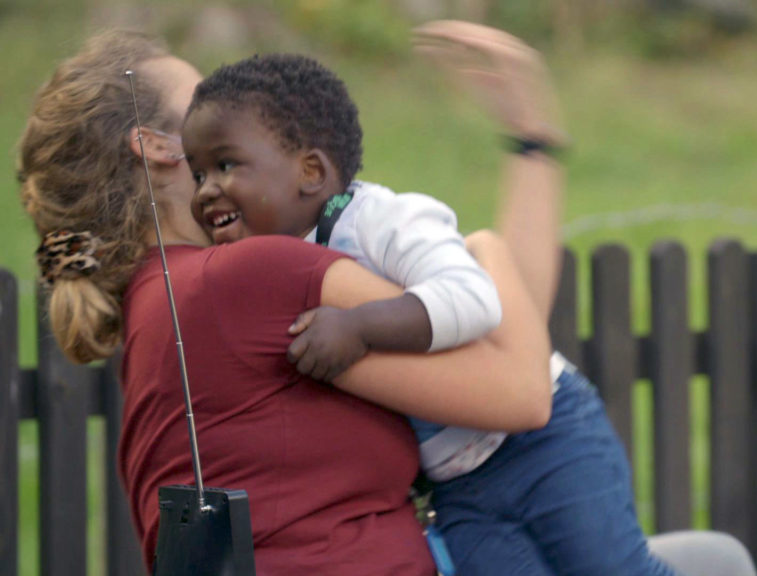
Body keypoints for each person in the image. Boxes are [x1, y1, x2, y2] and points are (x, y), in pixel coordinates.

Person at [16, 27, 552, 575]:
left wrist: (530, 144)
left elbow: (497, 344)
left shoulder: (159, 306)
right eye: (207, 102)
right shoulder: (248, 278)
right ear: (157, 146)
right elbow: (523, 389)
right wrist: (485, 252)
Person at [178, 28, 677, 576]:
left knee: (614, 567)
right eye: (197, 173)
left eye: (225, 166)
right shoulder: (267, 273)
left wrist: (361, 327)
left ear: (311, 172)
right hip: (458, 489)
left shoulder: (380, 222)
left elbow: (472, 299)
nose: (205, 189)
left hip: (545, 443)